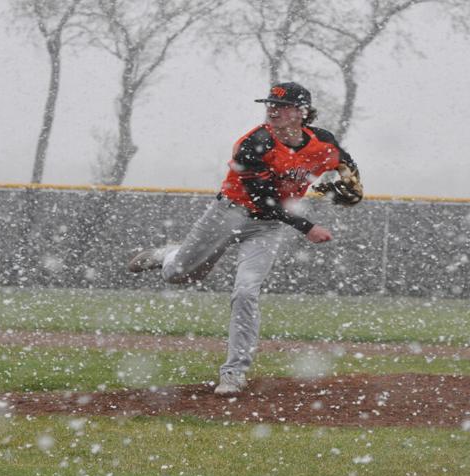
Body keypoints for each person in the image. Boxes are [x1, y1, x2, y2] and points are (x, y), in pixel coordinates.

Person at [128, 82, 363, 394]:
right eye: (270, 104)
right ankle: (165, 257)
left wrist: (352, 187)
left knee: (246, 293)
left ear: (301, 112)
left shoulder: (322, 142)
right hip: (229, 214)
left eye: (282, 106)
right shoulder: (255, 143)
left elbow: (345, 163)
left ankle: (234, 372)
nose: (272, 110)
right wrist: (307, 226)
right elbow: (263, 197)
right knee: (182, 275)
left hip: (267, 228)